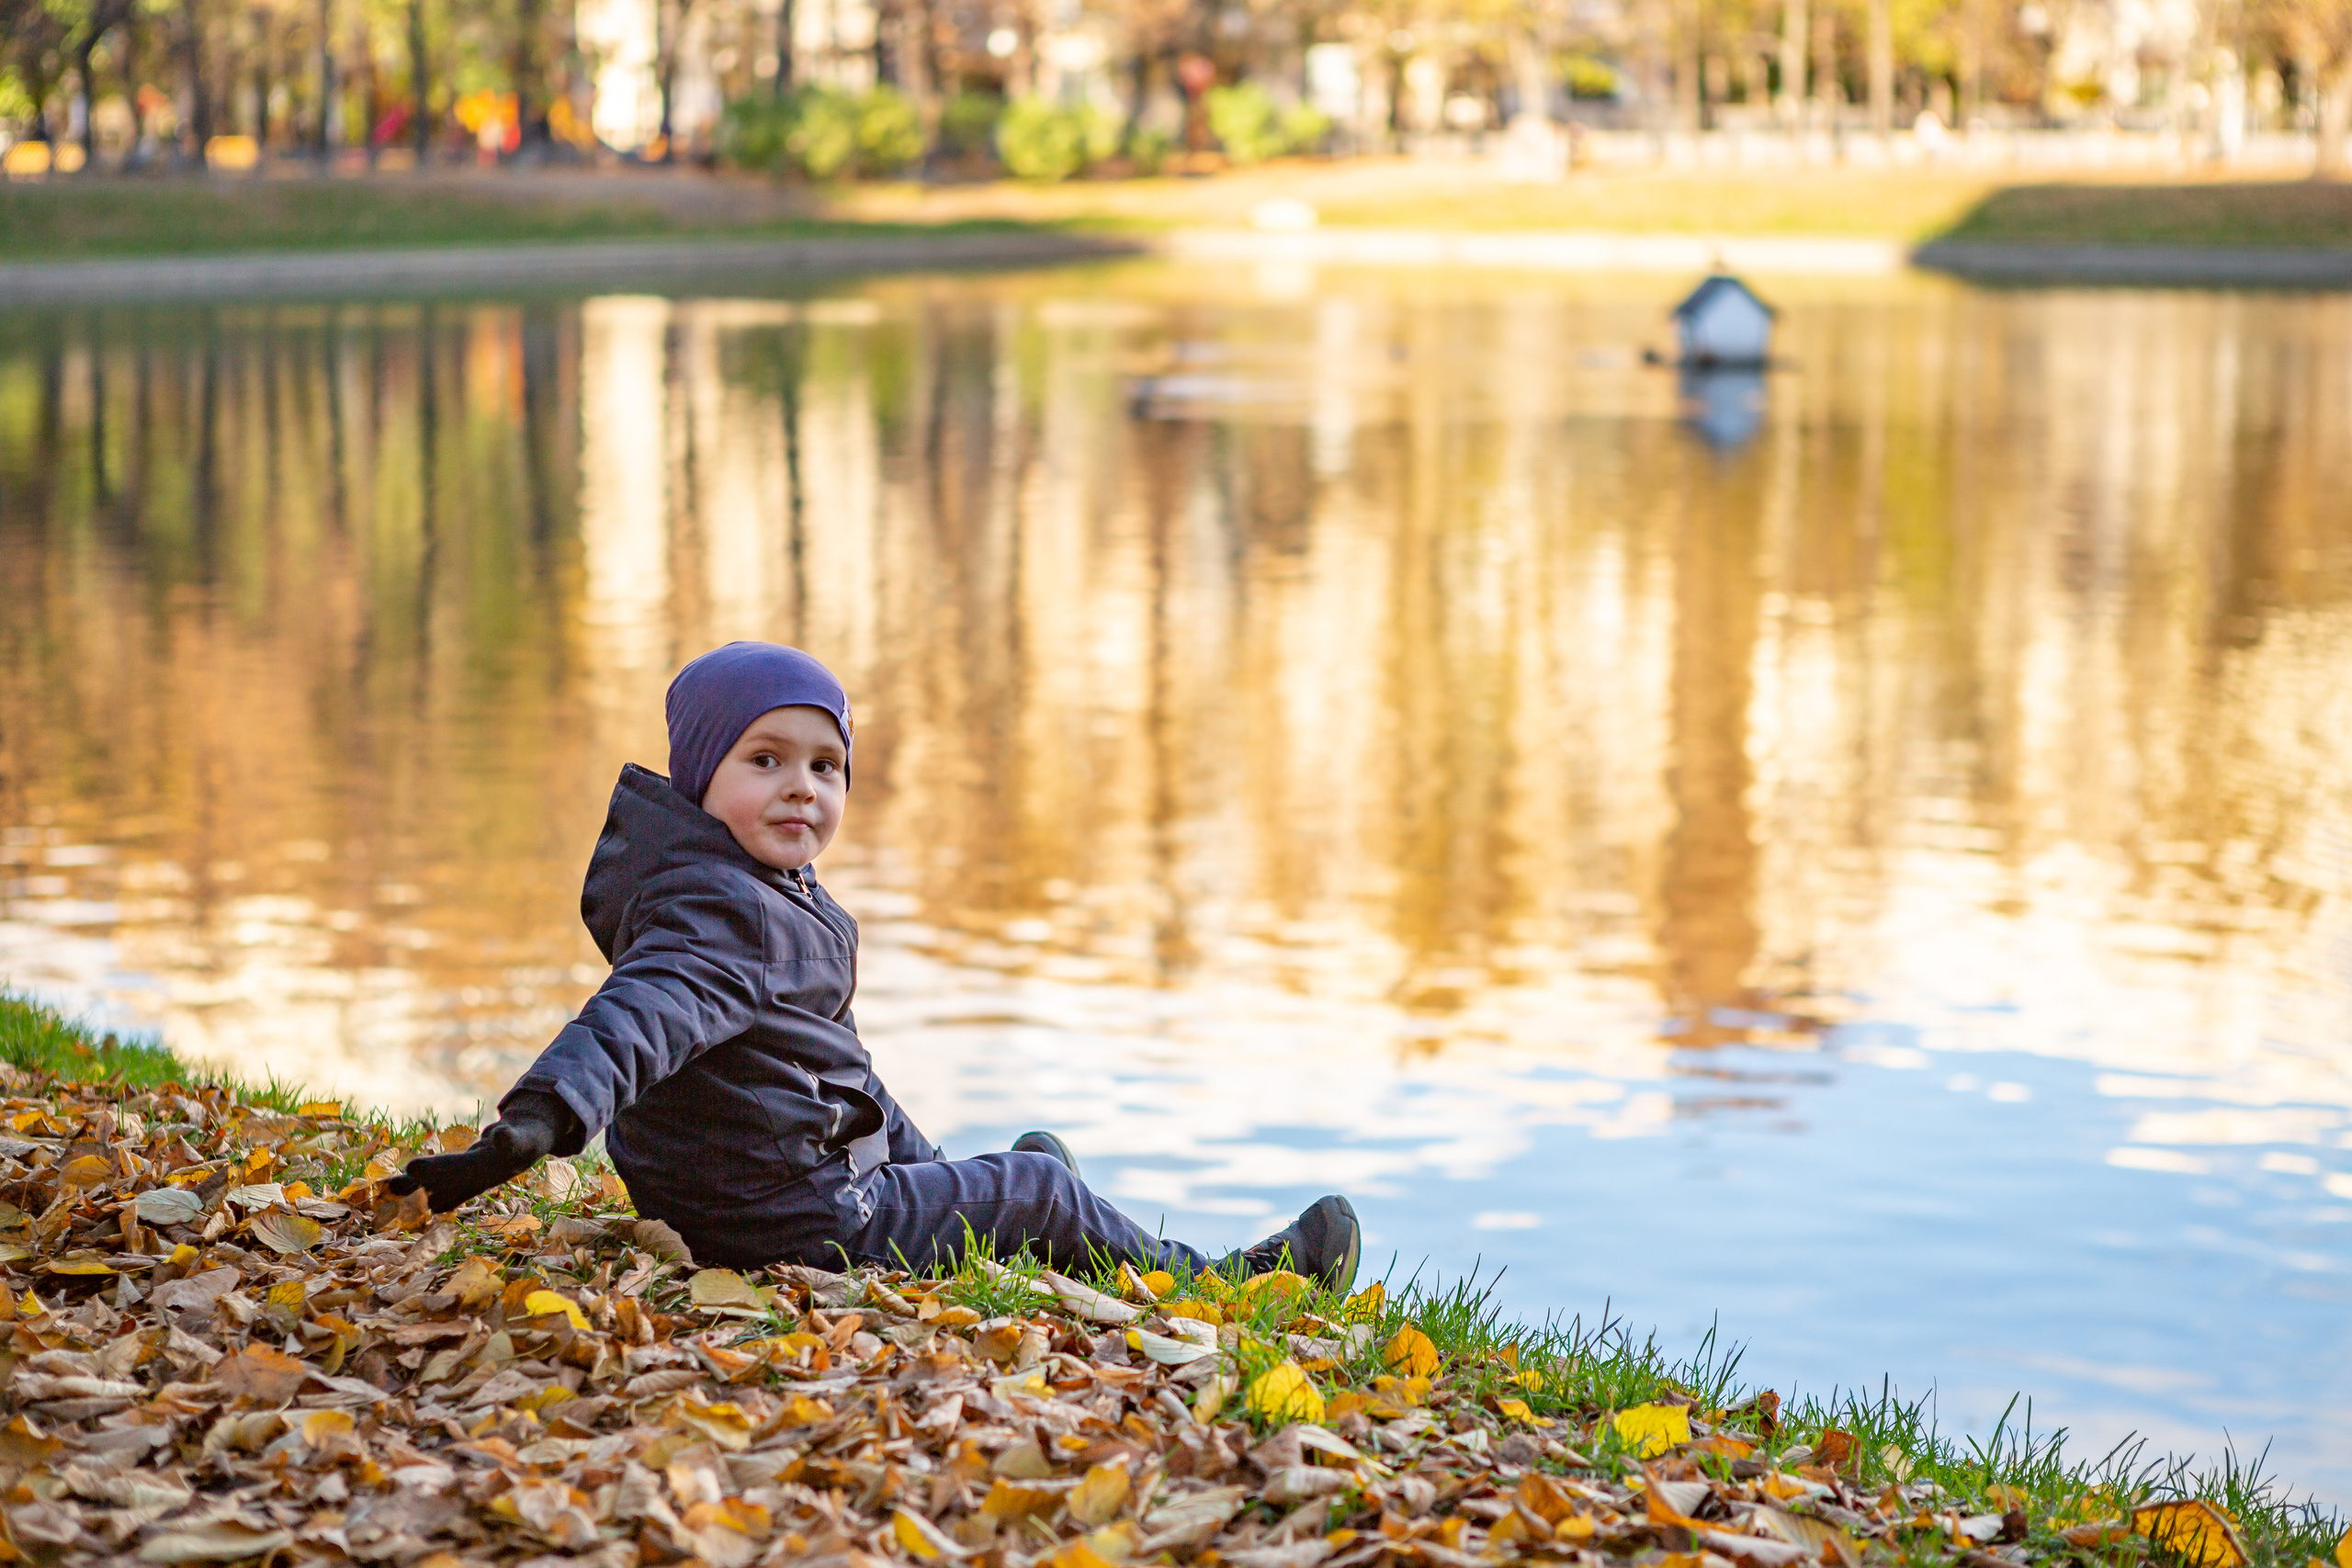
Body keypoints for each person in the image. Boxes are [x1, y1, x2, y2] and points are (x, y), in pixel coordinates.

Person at [390, 641, 1361, 1289]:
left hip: (758, 1191)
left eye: (825, 766)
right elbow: (641, 1015)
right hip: (788, 1223)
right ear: (699, 777)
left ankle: (1000, 1204)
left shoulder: (773, 900)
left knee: (1006, 1179)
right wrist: (538, 1121)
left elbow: (839, 1078)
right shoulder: (719, 917)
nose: (800, 788)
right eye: (763, 760)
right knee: (1044, 1192)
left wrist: (942, 1172)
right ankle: (1223, 1287)